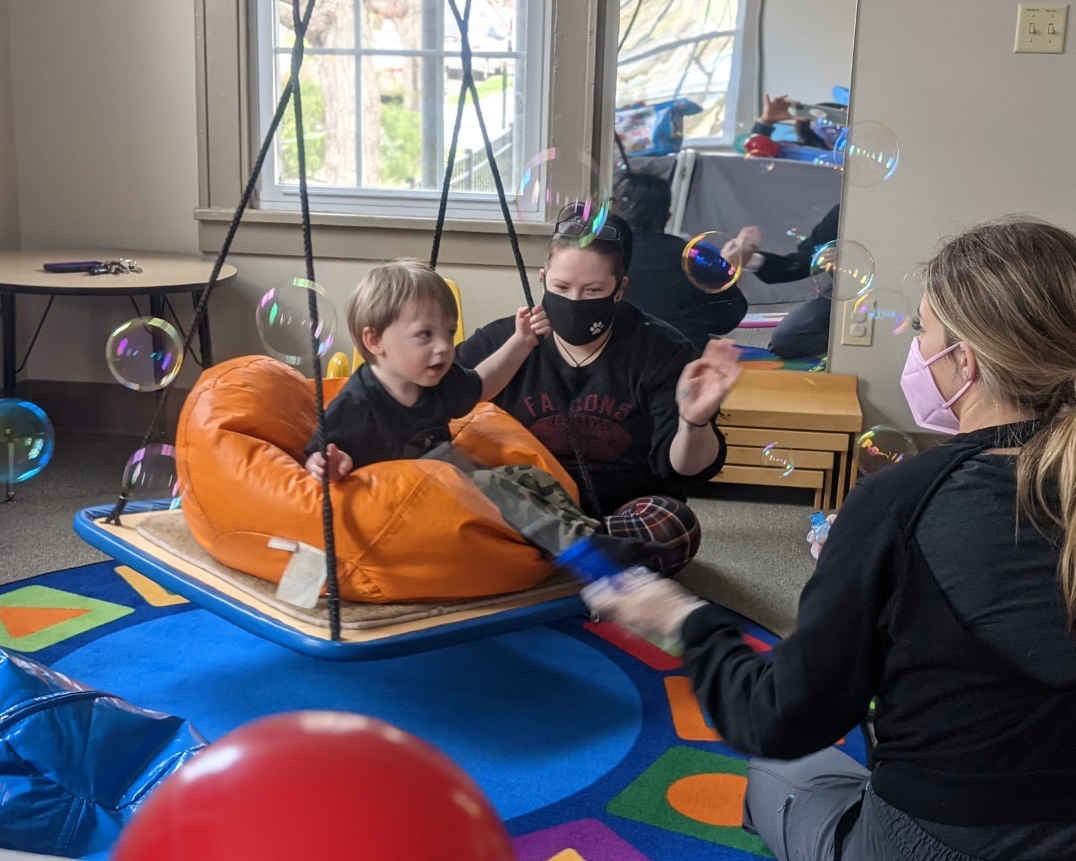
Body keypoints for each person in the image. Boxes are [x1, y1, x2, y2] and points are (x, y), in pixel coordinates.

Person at [584, 218, 1076, 859]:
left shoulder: (903, 502)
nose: (914, 347)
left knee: (779, 774)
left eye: (921, 330)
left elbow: (777, 719)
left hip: (937, 840)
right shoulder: (912, 506)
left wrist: (683, 617)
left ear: (964, 360)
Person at [456, 212, 741, 574]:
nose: (575, 301)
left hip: (620, 514)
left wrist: (694, 421)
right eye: (561, 288)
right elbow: (442, 403)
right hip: (527, 504)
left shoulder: (661, 349)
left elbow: (683, 469)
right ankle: (584, 561)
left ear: (619, 289)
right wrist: (516, 349)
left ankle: (543, 559)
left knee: (673, 527)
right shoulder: (502, 339)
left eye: (592, 291)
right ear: (542, 280)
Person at [304, 258, 549, 480]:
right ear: (375, 341)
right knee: (497, 490)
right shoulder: (356, 404)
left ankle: (574, 527)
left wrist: (522, 341)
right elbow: (318, 457)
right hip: (399, 499)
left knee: (530, 478)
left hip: (443, 480)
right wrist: (330, 464)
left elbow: (483, 384)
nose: (444, 346)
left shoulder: (440, 380)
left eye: (449, 332)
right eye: (425, 334)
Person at [612, 171, 748, 354]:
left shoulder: (602, 254)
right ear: (668, 217)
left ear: (613, 209)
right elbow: (732, 312)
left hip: (618, 356)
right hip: (685, 357)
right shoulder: (696, 255)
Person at [722, 204, 839, 359]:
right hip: (840, 296)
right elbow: (802, 262)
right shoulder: (842, 213)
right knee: (786, 340)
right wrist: (749, 259)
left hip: (875, 296)